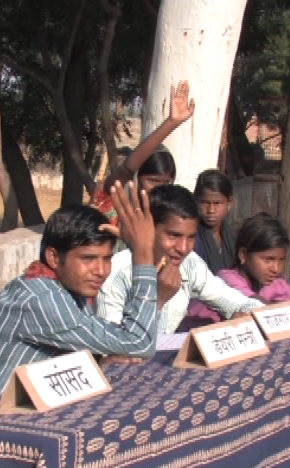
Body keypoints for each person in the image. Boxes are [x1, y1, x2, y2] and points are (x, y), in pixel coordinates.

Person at [0, 184, 157, 407]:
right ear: (54, 258)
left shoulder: (67, 289)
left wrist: (101, 358)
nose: (101, 271)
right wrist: (143, 256)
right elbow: (139, 342)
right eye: (88, 259)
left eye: (107, 259)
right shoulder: (42, 299)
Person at [98, 183, 263, 334]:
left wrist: (247, 315)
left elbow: (238, 302)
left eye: (191, 237)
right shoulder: (117, 274)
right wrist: (157, 300)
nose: (183, 248)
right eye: (173, 235)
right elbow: (116, 350)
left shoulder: (190, 264)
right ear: (148, 229)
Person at [89, 81, 194, 224]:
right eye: (153, 181)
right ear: (137, 177)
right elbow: (126, 170)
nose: (159, 188)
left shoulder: (165, 216)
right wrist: (171, 123)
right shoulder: (115, 196)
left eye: (166, 182)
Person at [193, 169, 236, 274]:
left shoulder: (233, 238)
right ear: (195, 201)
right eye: (205, 202)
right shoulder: (192, 237)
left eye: (217, 203)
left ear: (229, 203)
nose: (211, 210)